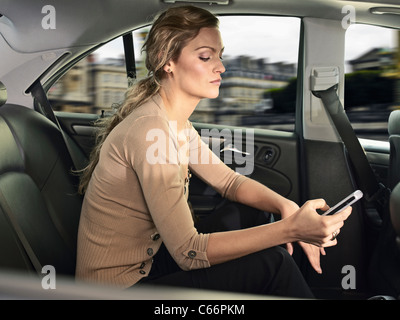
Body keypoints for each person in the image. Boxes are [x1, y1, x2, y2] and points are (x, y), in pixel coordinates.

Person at [75, 5, 352, 298]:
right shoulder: (151, 132)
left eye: (220, 55)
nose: (220, 67)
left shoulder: (175, 123)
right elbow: (188, 252)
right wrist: (292, 230)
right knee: (273, 265)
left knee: (252, 211)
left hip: (150, 260)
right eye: (206, 56)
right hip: (117, 289)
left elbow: (230, 182)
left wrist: (286, 207)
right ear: (168, 62)